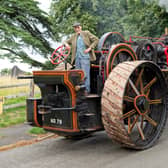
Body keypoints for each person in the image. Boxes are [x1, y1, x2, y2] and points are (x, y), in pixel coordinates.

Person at [64, 22, 99, 94]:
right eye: (75, 28)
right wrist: (66, 45)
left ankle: (86, 90)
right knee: (78, 75)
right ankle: (79, 91)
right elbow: (65, 41)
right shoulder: (73, 36)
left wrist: (90, 48)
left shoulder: (86, 33)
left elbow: (96, 40)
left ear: (80, 27)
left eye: (78, 27)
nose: (76, 29)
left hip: (85, 57)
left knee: (85, 74)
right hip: (77, 58)